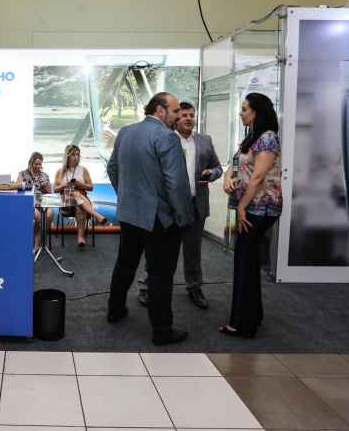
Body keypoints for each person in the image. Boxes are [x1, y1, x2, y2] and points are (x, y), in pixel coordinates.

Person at [106, 92, 193, 346]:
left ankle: (114, 310)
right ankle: (162, 331)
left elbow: (112, 169)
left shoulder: (125, 132)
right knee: (160, 275)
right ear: (160, 110)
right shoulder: (167, 136)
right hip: (160, 220)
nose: (179, 116)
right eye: (175, 111)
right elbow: (176, 183)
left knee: (125, 265)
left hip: (129, 215)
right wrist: (184, 217)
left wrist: (126, 197)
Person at [137, 101, 223, 310]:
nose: (188, 118)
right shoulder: (164, 138)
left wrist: (210, 174)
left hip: (195, 205)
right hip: (167, 207)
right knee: (159, 249)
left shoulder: (205, 141)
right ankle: (146, 286)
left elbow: (217, 168)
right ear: (176, 118)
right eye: (183, 115)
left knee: (193, 252)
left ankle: (195, 288)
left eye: (191, 115)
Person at [221, 93, 282, 338]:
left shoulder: (267, 138)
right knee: (249, 259)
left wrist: (241, 207)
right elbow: (235, 164)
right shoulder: (252, 137)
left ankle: (242, 324)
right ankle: (252, 315)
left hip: (260, 208)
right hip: (249, 206)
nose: (240, 113)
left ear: (256, 112)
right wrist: (227, 178)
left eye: (244, 109)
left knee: (244, 259)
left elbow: (258, 178)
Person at [53, 144, 108, 247]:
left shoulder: (83, 169)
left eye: (77, 155)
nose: (76, 157)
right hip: (66, 198)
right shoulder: (60, 171)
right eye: (73, 154)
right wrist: (64, 185)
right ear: (67, 156)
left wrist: (79, 184)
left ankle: (80, 237)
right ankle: (95, 215)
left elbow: (90, 187)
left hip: (81, 196)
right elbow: (55, 189)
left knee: (79, 204)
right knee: (75, 193)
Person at [16, 151, 54, 252]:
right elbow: (18, 190)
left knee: (50, 214)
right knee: (37, 216)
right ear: (31, 162)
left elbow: (50, 194)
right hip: (28, 202)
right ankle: (35, 240)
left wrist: (44, 191)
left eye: (40, 164)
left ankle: (39, 238)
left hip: (43, 202)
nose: (38, 166)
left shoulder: (45, 176)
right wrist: (31, 187)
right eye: (36, 164)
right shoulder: (23, 174)